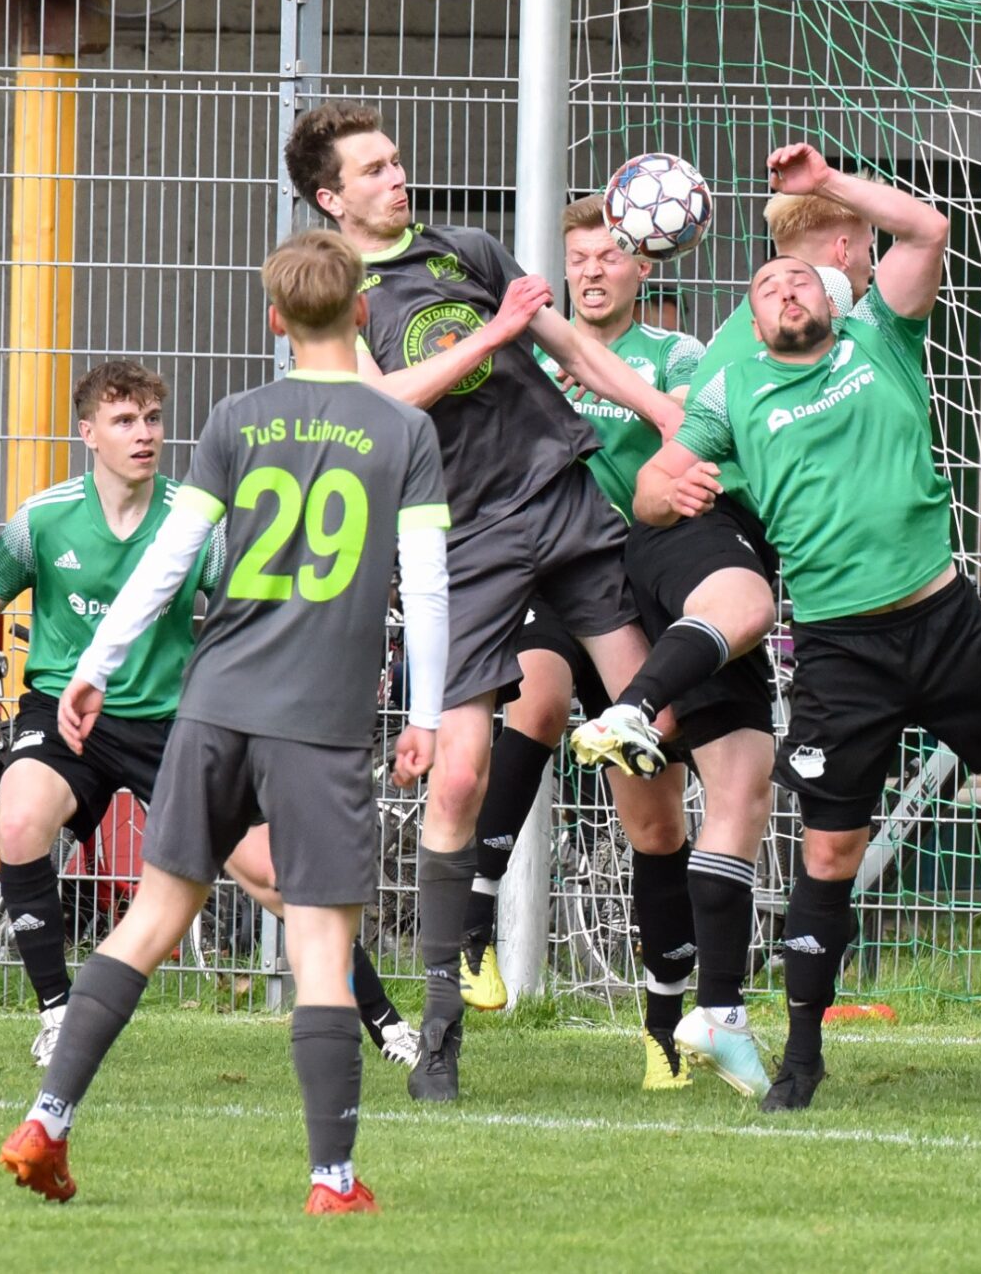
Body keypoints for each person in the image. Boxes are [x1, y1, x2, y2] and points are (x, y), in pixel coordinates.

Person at [632, 144, 981, 1111]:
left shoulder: (881, 335)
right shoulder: (732, 393)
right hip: (840, 650)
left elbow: (928, 228)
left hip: (945, 622)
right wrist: (663, 492)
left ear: (831, 290)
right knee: (828, 855)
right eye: (765, 287)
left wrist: (824, 185)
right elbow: (653, 484)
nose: (783, 290)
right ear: (753, 321)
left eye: (797, 278)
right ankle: (802, 1057)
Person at [0, 230, 450, 1213]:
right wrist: (427, 711)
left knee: (154, 917)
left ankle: (47, 1120)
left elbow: (170, 557)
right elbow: (426, 579)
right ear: (362, 312)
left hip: (212, 704)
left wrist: (95, 665)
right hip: (320, 720)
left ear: (276, 320)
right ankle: (333, 1180)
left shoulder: (236, 417)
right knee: (320, 944)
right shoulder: (405, 430)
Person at [283, 102, 681, 1101]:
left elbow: (574, 349)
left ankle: (672, 1021)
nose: (396, 177)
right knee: (457, 777)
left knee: (653, 741)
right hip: (460, 540)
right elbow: (378, 401)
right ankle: (441, 1038)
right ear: (330, 197)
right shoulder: (332, 287)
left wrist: (666, 414)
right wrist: (493, 335)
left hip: (562, 500)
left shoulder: (466, 248)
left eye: (395, 161)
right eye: (373, 170)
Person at [0, 361, 419, 1070]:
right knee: (17, 823)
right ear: (88, 433)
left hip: (175, 723)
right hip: (68, 716)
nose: (144, 434)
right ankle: (56, 1013)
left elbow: (247, 616)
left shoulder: (196, 522)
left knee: (278, 876)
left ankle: (387, 1024)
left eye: (153, 419)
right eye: (124, 421)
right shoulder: (42, 519)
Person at [467, 195, 771, 1091]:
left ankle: (662, 1029)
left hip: (633, 591)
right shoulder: (537, 353)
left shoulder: (674, 357)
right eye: (579, 258)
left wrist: (636, 399)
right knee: (536, 696)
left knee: (656, 820)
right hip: (548, 574)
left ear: (644, 264)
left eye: (608, 256)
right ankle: (475, 928)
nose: (592, 271)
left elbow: (698, 423)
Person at [564, 189, 851, 1094]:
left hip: (719, 549)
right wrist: (673, 483)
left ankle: (718, 1014)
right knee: (745, 600)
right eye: (853, 242)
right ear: (840, 248)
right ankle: (634, 708)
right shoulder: (750, 340)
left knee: (740, 785)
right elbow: (657, 480)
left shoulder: (848, 343)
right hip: (690, 545)